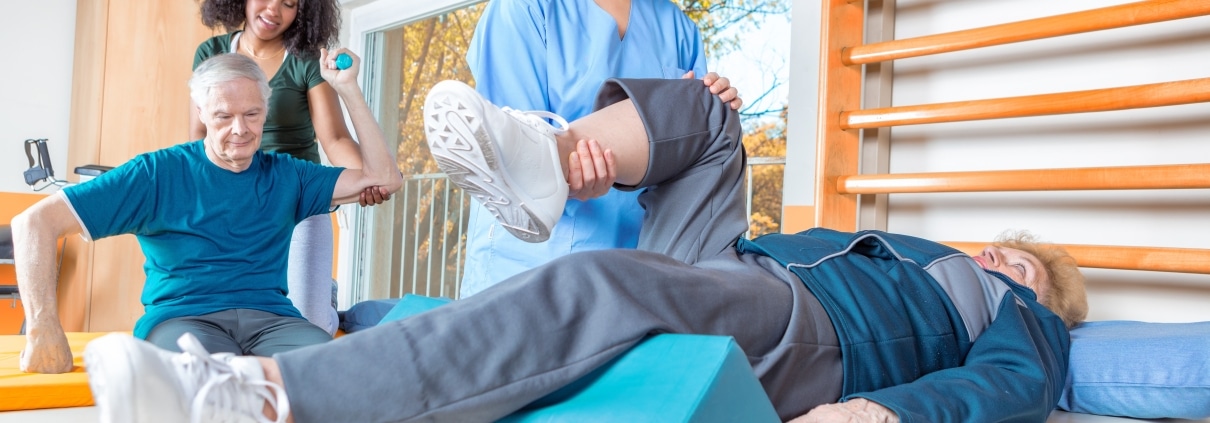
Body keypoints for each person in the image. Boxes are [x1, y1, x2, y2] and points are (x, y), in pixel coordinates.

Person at [81, 78, 1088, 423]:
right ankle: (549, 159)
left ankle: (264, 398)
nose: (1003, 258)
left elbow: (1006, 392)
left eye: (1023, 263)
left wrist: (882, 412)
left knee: (605, 282)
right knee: (712, 116)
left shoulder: (1015, 317)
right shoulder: (906, 247)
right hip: (756, 271)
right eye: (1003, 250)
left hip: (815, 336)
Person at [14, 52, 402, 374]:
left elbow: (385, 178)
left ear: (266, 109)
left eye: (252, 114)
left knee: (347, 371)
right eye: (222, 116)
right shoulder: (154, 174)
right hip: (182, 321)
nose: (240, 129)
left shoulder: (289, 175)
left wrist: (347, 87)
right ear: (201, 112)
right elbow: (34, 222)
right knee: (216, 385)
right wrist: (43, 329)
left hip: (272, 321)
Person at [458, 0, 744, 297]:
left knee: (712, 114)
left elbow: (692, 146)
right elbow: (503, 144)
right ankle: (552, 161)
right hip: (527, 260)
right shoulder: (526, 7)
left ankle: (553, 160)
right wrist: (566, 174)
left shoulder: (678, 28)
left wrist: (712, 98)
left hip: (637, 260)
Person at [191, 0, 388, 334]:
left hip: (296, 198)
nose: (273, 10)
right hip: (232, 200)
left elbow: (336, 138)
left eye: (289, 3)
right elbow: (199, 137)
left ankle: (324, 294)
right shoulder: (211, 53)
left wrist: (368, 179)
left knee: (307, 326)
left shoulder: (305, 60)